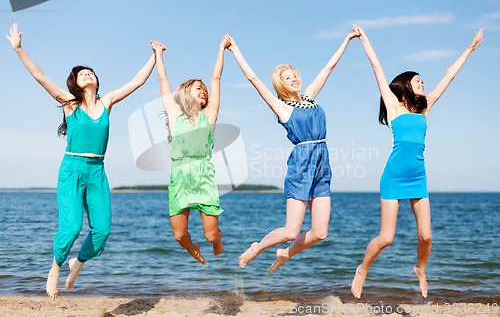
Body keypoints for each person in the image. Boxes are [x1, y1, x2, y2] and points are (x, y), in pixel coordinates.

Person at [5, 23, 159, 300]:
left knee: (102, 231)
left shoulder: (107, 101)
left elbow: (138, 81)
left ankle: (78, 263)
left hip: (97, 171)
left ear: (97, 82)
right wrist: (18, 49)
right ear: (75, 83)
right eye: (81, 74)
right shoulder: (69, 104)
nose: (87, 74)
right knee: (72, 226)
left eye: (90, 72)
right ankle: (55, 268)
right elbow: (40, 76)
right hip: (73, 169)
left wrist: (156, 55)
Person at [350, 25, 483, 299]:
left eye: (423, 80)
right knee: (386, 238)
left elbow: (450, 75)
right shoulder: (394, 106)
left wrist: (469, 49)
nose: (423, 83)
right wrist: (364, 39)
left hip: (418, 177)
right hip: (393, 176)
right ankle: (362, 269)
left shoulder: (426, 106)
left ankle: (421, 269)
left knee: (426, 236)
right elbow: (377, 67)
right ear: (405, 85)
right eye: (418, 80)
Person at [227, 31, 358, 274]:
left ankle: (286, 253)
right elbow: (254, 79)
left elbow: (328, 68)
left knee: (320, 232)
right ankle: (258, 247)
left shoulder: (310, 98)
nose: (294, 79)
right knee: (290, 231)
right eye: (288, 78)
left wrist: (347, 41)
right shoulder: (282, 107)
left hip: (322, 164)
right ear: (281, 84)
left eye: (295, 75)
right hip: (301, 165)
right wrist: (235, 50)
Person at [153, 35, 230, 264]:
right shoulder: (176, 115)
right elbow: (162, 79)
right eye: (199, 88)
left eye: (204, 90)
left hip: (204, 176)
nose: (204, 91)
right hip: (179, 176)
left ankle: (217, 241)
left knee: (210, 234)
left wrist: (221, 49)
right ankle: (192, 248)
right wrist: (158, 53)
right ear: (186, 92)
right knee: (178, 235)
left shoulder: (210, 115)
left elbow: (216, 77)